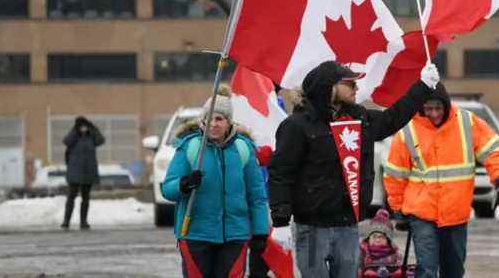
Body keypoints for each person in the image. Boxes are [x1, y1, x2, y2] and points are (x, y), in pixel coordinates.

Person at [268, 60, 439, 278]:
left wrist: (422, 87)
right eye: (349, 84)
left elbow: (392, 118)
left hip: (347, 225)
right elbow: (281, 173)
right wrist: (280, 221)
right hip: (311, 228)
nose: (356, 89)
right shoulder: (297, 125)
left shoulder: (359, 119)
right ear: (329, 87)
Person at [383, 83, 499, 278]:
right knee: (426, 270)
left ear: (446, 105)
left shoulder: (466, 123)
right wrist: (398, 208)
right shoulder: (408, 131)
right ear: (421, 107)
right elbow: (396, 174)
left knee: (453, 271)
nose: (434, 114)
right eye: (428, 109)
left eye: (438, 108)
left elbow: (495, 151)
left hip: (456, 214)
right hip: (422, 214)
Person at [161, 86, 270, 278]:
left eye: (219, 119)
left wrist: (260, 232)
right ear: (202, 121)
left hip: (235, 236)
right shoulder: (190, 147)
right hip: (195, 234)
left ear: (229, 122)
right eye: (209, 118)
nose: (213, 124)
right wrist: (184, 184)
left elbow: (257, 196)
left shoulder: (243, 149)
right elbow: (168, 189)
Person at [61, 116, 105, 230]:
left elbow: (101, 140)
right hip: (75, 172)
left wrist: (93, 128)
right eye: (81, 126)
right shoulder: (74, 136)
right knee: (71, 196)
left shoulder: (92, 137)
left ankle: (83, 222)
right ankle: (66, 221)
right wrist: (76, 131)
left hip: (88, 171)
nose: (83, 128)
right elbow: (66, 141)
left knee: (86, 198)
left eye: (85, 126)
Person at [359, 209, 404, 278]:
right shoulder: (362, 253)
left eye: (382, 237)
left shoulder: (396, 255)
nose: (377, 240)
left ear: (388, 240)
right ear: (369, 238)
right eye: (374, 237)